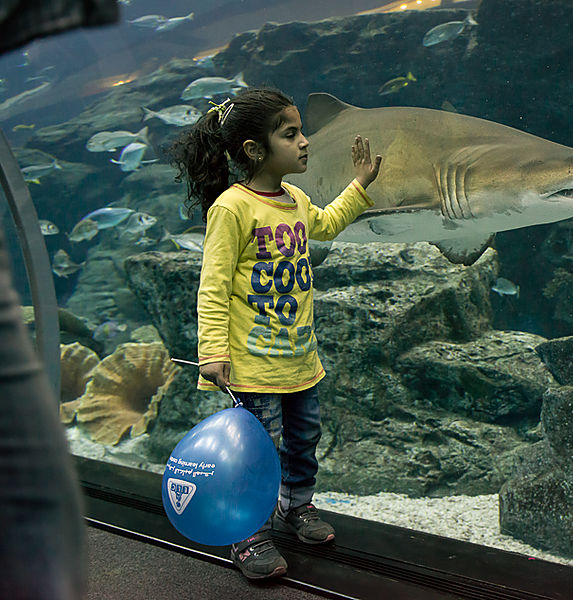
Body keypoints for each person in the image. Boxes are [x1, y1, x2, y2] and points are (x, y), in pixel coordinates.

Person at [168, 87, 381, 580]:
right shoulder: (232, 208)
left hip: (299, 359)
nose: (305, 142)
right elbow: (214, 286)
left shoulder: (296, 199)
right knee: (256, 452)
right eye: (291, 134)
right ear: (253, 150)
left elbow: (325, 225)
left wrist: (359, 185)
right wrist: (213, 353)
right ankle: (248, 535)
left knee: (304, 438)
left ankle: (296, 506)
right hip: (253, 364)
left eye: (301, 131)